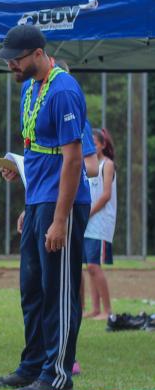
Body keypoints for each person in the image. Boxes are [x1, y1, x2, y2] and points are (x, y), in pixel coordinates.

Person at [0, 24, 91, 390]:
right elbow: (37, 152)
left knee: (59, 291)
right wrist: (24, 190)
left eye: (15, 60)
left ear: (37, 54)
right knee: (31, 289)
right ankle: (32, 365)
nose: (10, 66)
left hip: (61, 204)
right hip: (38, 201)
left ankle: (57, 374)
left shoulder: (64, 90)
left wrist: (60, 218)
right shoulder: (31, 89)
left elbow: (73, 160)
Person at [82, 128, 116, 320]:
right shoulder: (87, 165)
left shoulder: (107, 165)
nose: (92, 147)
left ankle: (107, 310)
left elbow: (105, 196)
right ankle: (95, 309)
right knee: (89, 267)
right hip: (89, 222)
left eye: (95, 143)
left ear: (103, 145)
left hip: (100, 222)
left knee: (94, 267)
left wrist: (87, 213)